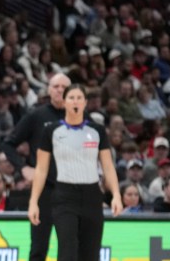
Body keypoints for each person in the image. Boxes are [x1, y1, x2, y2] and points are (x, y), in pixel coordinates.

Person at [28, 84, 123, 261]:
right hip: (64, 197)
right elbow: (41, 169)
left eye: (79, 98)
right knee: (67, 251)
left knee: (90, 253)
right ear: (64, 102)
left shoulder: (97, 131)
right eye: (71, 97)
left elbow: (108, 166)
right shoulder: (51, 131)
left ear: (86, 102)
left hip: (92, 196)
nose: (75, 101)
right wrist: (34, 202)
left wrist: (116, 194)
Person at [1, 72, 70, 261]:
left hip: (71, 189)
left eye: (64, 87)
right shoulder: (37, 115)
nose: (60, 90)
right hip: (44, 190)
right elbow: (8, 143)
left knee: (71, 247)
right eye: (56, 86)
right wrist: (23, 168)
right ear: (48, 89)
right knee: (39, 247)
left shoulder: (78, 117)